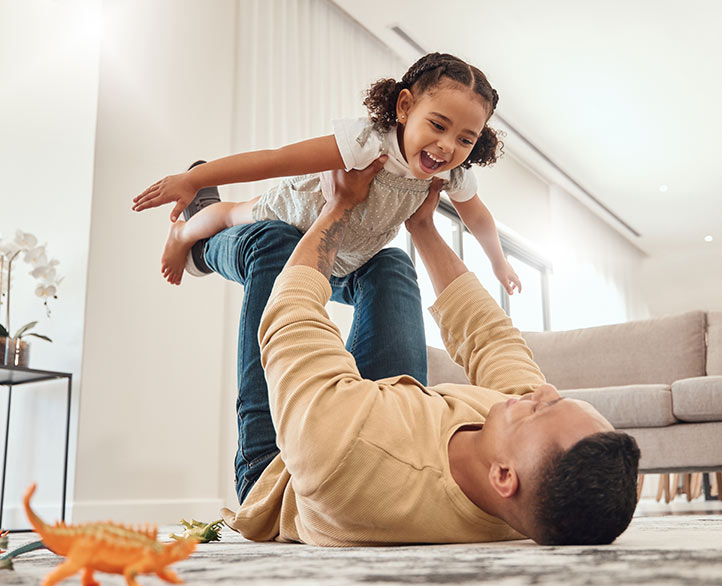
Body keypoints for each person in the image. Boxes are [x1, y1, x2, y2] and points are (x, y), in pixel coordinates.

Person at [219, 164, 641, 546]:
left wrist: (339, 206)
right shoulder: (529, 490)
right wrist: (423, 225)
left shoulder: (342, 453)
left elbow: (291, 317)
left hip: (283, 468)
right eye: (557, 399)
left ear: (503, 476)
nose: (543, 390)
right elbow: (491, 338)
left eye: (538, 411)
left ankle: (199, 244)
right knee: (391, 265)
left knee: (275, 244)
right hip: (380, 415)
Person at [132, 52, 522, 296]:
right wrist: (193, 180)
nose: (448, 146)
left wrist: (498, 262)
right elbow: (277, 159)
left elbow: (478, 218)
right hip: (294, 213)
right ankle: (184, 233)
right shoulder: (369, 142)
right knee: (233, 213)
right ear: (405, 107)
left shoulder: (450, 175)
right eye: (438, 125)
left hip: (341, 251)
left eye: (465, 139)